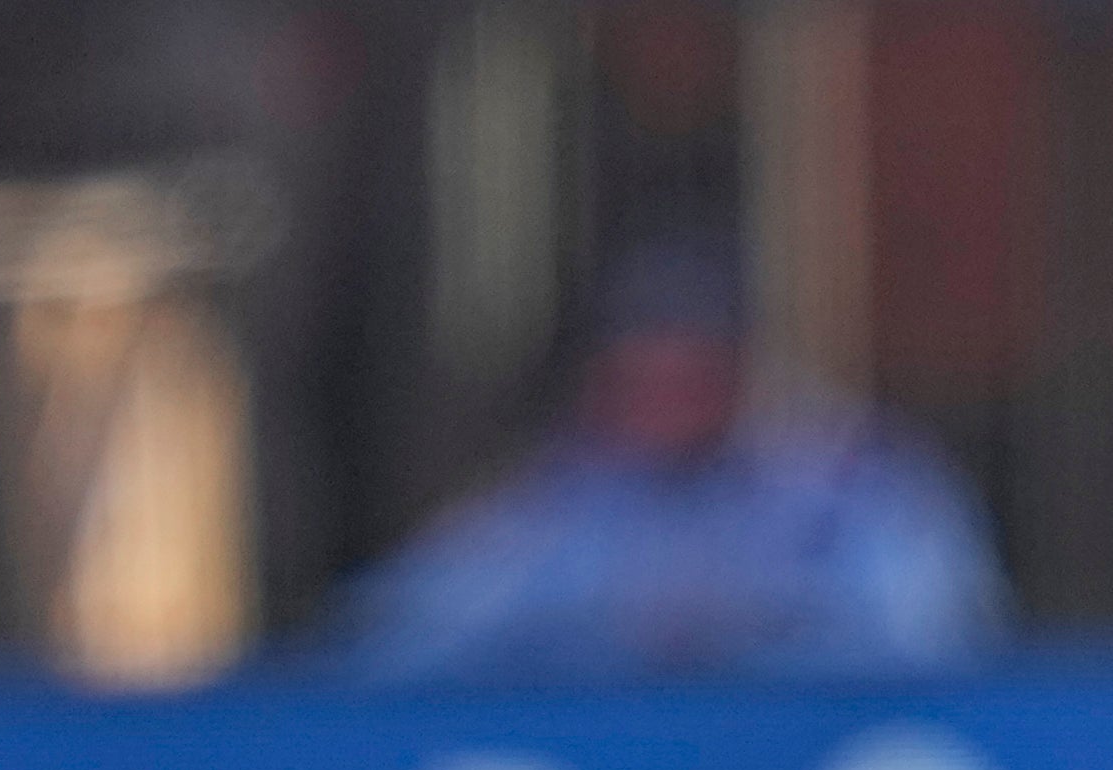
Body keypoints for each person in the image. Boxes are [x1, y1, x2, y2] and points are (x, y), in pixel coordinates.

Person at [338, 238, 1006, 681]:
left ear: (737, 368)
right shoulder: (573, 491)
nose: (656, 401)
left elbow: (943, 648)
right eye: (635, 376)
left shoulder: (856, 484)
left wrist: (740, 642)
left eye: (684, 373)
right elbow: (398, 642)